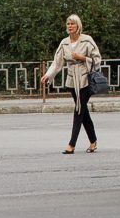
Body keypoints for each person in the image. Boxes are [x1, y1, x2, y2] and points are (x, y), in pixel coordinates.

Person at [41, 14, 102, 154]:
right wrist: (48, 75)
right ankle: (93, 141)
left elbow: (97, 59)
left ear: (78, 25)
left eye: (72, 24)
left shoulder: (87, 40)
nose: (70, 26)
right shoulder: (64, 43)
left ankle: (71, 144)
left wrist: (82, 57)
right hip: (72, 80)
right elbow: (57, 62)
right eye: (68, 24)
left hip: (85, 79)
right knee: (83, 110)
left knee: (78, 110)